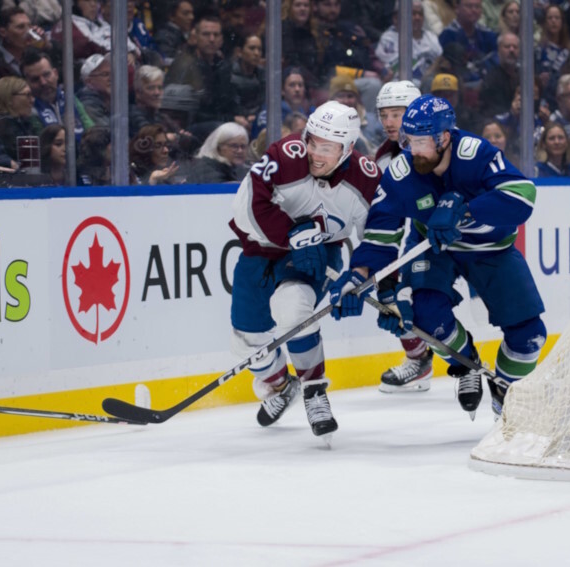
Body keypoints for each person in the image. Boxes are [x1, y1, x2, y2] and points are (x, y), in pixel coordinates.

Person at [329, 94, 545, 420]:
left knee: (530, 335)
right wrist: (358, 275)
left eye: (420, 141)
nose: (412, 149)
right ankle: (465, 363)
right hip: (433, 247)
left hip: (490, 249)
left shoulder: (475, 154)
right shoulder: (402, 171)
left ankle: (505, 394)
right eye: (408, 140)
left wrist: (467, 211)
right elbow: (381, 234)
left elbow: (523, 195)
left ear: (444, 137)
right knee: (426, 315)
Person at [228, 101, 382, 439]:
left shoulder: (365, 178)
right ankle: (281, 385)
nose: (315, 153)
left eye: (327, 148)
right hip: (262, 249)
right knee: (246, 335)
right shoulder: (285, 155)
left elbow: (378, 236)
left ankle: (314, 391)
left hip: (318, 255)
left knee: (293, 309)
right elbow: (248, 205)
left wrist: (361, 277)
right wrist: (292, 233)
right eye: (313, 141)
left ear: (349, 148)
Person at [372, 80, 436, 392]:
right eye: (384, 115)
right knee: (399, 296)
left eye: (396, 114)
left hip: (463, 235)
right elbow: (386, 215)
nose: (388, 122)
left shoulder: (444, 141)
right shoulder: (384, 159)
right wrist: (382, 262)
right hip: (421, 236)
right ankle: (419, 359)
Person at [375, 0, 442, 83]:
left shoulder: (431, 37)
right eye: (413, 13)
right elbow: (396, 68)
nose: (417, 17)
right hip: (399, 83)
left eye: (420, 14)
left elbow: (440, 60)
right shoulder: (389, 38)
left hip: (430, 81)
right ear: (396, 18)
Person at [0, 76, 43, 165]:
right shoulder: (2, 125)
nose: (32, 100)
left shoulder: (24, 122)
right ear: (9, 98)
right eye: (27, 95)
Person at [154, 0, 195, 65]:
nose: (191, 17)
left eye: (192, 13)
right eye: (186, 13)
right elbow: (167, 62)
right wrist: (189, 46)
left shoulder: (184, 34)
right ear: (172, 16)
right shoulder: (164, 37)